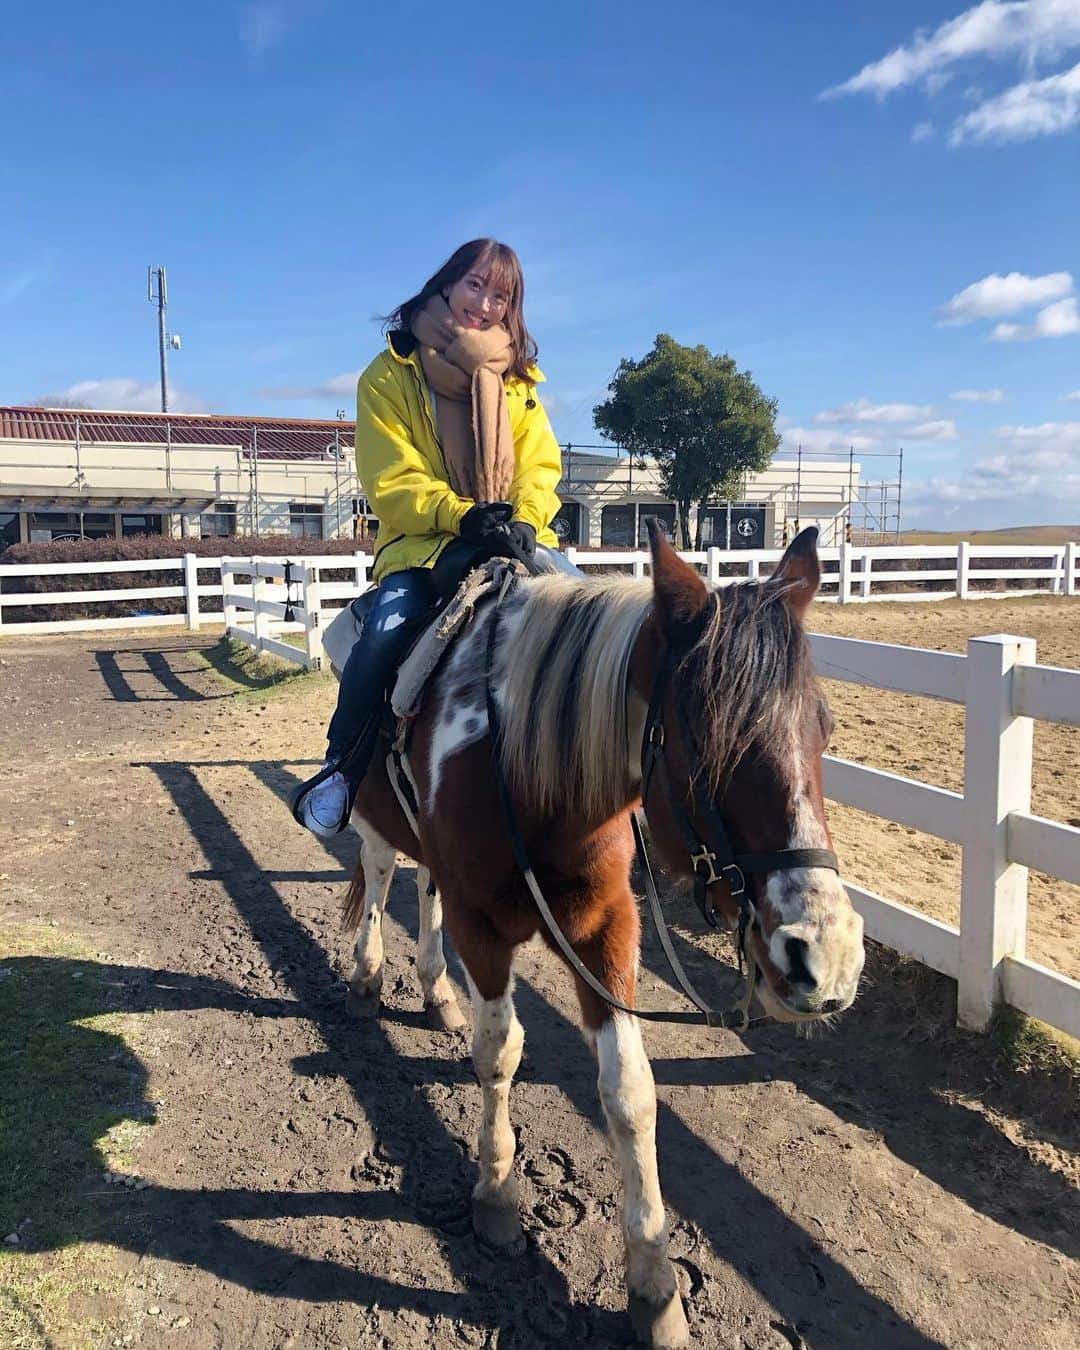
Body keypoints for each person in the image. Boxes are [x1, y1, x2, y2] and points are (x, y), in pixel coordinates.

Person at [292, 238, 576, 837]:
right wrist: (459, 515)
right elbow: (390, 478)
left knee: (596, 619)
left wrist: (523, 518)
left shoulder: (520, 383)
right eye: (476, 285)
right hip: (423, 544)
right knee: (385, 636)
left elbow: (539, 466)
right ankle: (340, 770)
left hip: (511, 537)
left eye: (502, 295)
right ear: (446, 284)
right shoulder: (388, 374)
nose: (486, 304)